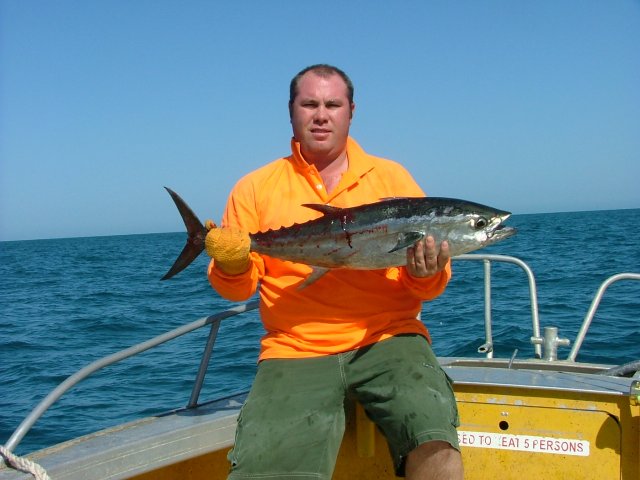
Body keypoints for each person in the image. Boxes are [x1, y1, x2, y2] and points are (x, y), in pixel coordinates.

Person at [206, 64, 463, 479]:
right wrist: (233, 262)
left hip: (390, 337)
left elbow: (428, 287)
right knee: (266, 468)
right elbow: (237, 290)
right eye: (309, 104)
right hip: (295, 347)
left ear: (351, 111)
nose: (321, 114)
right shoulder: (254, 188)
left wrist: (426, 272)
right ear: (291, 111)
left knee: (433, 437)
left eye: (332, 104)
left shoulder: (391, 177)